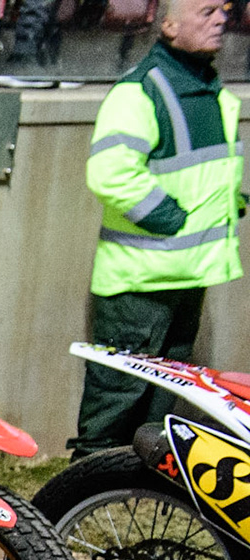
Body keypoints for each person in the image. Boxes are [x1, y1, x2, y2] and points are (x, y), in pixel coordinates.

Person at [74, 0, 241, 456]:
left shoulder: (208, 91)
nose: (221, 19)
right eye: (206, 11)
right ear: (167, 24)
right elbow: (110, 174)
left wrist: (233, 202)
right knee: (114, 409)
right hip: (138, 285)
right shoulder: (141, 92)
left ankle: (124, 499)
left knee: (158, 415)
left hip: (186, 277)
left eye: (224, 10)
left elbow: (208, 172)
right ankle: (71, 504)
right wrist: (175, 221)